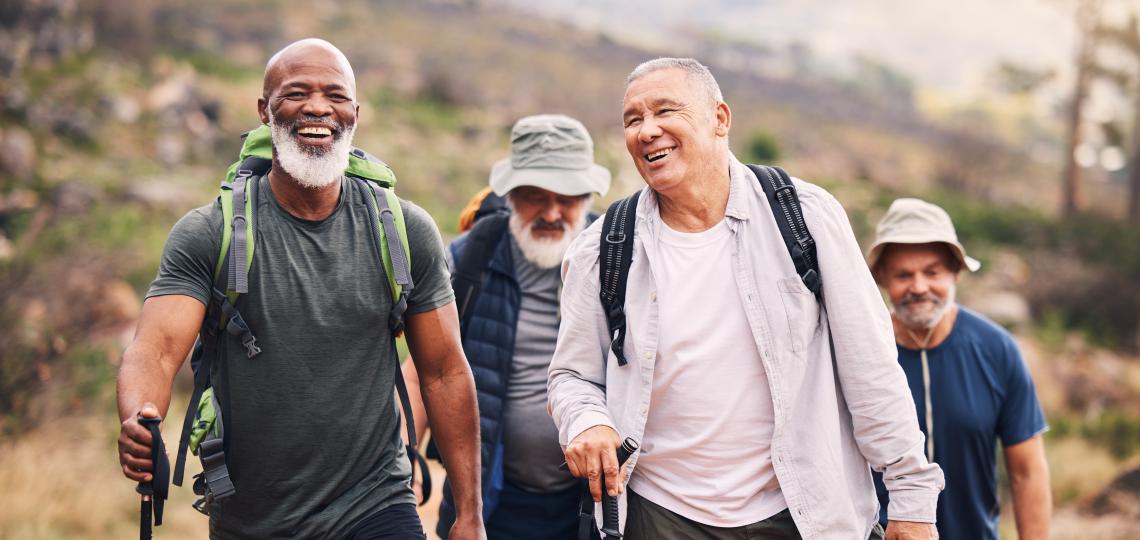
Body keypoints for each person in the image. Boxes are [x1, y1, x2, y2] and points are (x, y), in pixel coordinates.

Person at [547, 57, 945, 540]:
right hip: (661, 516)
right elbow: (571, 375)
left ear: (720, 118)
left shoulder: (805, 219)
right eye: (633, 119)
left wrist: (911, 499)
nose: (647, 130)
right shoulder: (602, 248)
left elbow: (871, 367)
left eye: (665, 111)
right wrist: (586, 421)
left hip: (803, 512)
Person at [115, 38, 485, 539]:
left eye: (334, 95)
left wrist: (469, 514)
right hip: (252, 519)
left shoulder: (403, 231)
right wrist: (141, 417)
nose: (317, 107)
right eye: (295, 94)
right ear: (264, 111)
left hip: (376, 504)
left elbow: (443, 372)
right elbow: (155, 351)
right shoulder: (210, 233)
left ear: (354, 113)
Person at [401, 114, 611, 539]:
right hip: (488, 501)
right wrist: (402, 457)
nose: (552, 212)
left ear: (588, 197)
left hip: (594, 502)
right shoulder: (469, 259)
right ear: (512, 195)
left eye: (567, 198)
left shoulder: (615, 259)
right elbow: (425, 366)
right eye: (535, 196)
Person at [867, 198, 1051, 540]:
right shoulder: (861, 352)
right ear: (881, 279)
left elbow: (1027, 471)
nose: (919, 287)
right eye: (903, 275)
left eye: (932, 272)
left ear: (957, 271)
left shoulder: (998, 350)